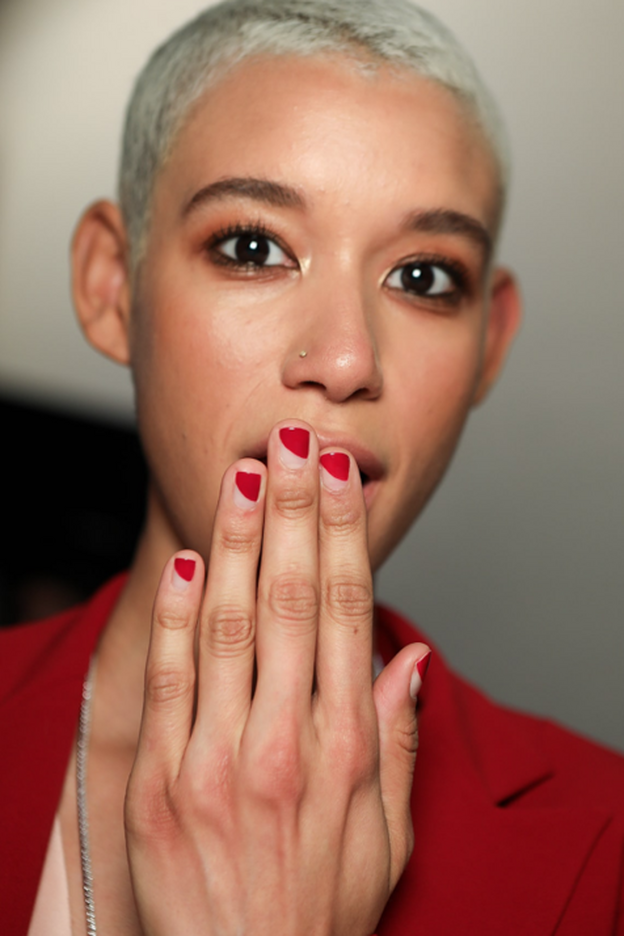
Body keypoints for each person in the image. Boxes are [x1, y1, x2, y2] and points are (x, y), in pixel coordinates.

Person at [1, 0, 623, 933]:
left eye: (423, 277)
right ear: (110, 283)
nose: (344, 360)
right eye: (252, 248)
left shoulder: (606, 852)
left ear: (489, 344)